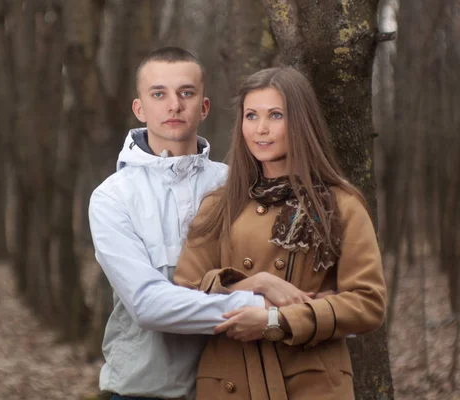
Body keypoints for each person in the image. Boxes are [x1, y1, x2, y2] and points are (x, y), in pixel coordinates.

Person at [88, 48, 311, 400]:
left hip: (238, 385)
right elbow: (147, 305)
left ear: (203, 107)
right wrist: (260, 309)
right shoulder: (112, 197)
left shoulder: (236, 184)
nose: (174, 105)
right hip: (147, 390)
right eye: (159, 94)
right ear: (140, 108)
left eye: (186, 93)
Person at [174, 67, 387, 399]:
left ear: (300, 122)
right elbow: (184, 292)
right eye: (251, 115)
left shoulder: (341, 204)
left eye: (276, 115)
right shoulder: (220, 204)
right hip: (229, 380)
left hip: (311, 382)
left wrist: (277, 320)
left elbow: (367, 303)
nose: (261, 129)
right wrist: (256, 284)